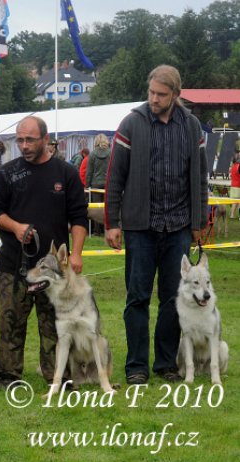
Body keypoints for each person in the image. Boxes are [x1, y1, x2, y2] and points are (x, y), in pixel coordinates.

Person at [105, 65, 208, 385]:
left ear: (176, 95)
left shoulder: (192, 127)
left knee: (171, 299)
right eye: (151, 92)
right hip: (140, 227)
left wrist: (198, 220)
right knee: (137, 298)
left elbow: (200, 178)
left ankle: (165, 364)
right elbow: (114, 177)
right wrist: (112, 222)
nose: (154, 99)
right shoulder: (132, 124)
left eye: (161, 95)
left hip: (178, 227)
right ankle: (136, 366)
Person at [0, 115, 88, 387]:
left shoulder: (65, 173)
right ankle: (9, 377)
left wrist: (76, 254)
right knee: (10, 324)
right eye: (19, 139)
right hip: (14, 264)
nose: (24, 145)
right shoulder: (7, 173)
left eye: (30, 139)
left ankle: (59, 377)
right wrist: (16, 227)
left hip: (53, 270)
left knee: (55, 326)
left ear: (45, 139)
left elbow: (79, 217)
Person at [86, 134, 111, 234]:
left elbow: (89, 172)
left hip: (95, 184)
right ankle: (107, 228)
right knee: (108, 207)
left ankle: (97, 230)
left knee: (96, 208)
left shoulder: (92, 154)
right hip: (107, 183)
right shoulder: (110, 153)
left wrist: (87, 186)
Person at [230, 149, 240, 219]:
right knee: (236, 202)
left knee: (235, 201)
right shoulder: (238, 166)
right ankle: (232, 215)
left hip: (233, 184)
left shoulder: (233, 166)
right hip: (237, 185)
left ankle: (233, 214)